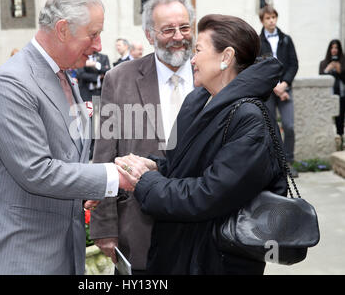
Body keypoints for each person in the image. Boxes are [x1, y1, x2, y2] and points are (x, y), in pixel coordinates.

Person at [0, 0, 129, 275]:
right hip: (21, 254)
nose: (98, 45)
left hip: (62, 250)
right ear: (63, 29)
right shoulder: (12, 83)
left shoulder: (64, 77)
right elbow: (36, 171)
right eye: (93, 34)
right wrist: (114, 176)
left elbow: (67, 156)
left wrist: (85, 188)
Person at [116, 14, 285, 275]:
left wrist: (145, 182)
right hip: (181, 250)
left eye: (198, 50)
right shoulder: (198, 102)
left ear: (226, 57)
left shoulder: (250, 118)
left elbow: (210, 194)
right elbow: (187, 166)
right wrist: (156, 167)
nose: (192, 59)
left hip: (216, 260)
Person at [90, 0, 195, 274]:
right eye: (168, 30)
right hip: (138, 228)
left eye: (185, 28)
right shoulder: (119, 79)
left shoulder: (211, 75)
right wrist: (104, 225)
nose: (178, 37)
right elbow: (104, 154)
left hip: (200, 231)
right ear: (150, 35)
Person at [259, 5, 299, 176]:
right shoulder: (257, 41)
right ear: (262, 20)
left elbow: (293, 64)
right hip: (268, 91)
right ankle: (274, 163)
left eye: (273, 17)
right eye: (268, 18)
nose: (271, 21)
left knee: (289, 126)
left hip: (285, 89)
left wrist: (284, 85)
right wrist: (274, 86)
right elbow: (258, 65)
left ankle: (288, 162)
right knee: (270, 127)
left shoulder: (286, 39)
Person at [319, 39, 345, 150]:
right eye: (332, 47)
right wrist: (327, 69)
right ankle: (328, 143)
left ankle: (341, 140)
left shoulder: (343, 63)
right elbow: (320, 79)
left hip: (342, 95)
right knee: (327, 119)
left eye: (336, 48)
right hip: (328, 96)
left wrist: (340, 71)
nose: (334, 50)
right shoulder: (323, 63)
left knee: (340, 118)